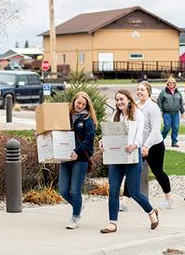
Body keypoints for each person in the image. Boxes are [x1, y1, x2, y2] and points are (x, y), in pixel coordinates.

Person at [100, 90, 159, 233]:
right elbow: (109, 133)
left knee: (134, 192)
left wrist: (135, 145)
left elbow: (139, 136)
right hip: (116, 157)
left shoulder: (138, 114)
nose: (119, 102)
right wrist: (103, 142)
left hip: (132, 156)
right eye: (117, 100)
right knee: (113, 190)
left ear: (128, 100)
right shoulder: (116, 115)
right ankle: (112, 223)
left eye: (122, 99)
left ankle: (151, 212)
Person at [121, 82, 174, 210]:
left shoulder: (153, 107)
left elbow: (156, 130)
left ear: (148, 92)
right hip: (138, 145)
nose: (139, 92)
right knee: (132, 171)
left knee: (158, 172)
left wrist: (146, 146)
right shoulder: (135, 106)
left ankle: (169, 198)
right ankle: (124, 202)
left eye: (142, 90)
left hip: (154, 145)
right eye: (138, 89)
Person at [60, 92, 97, 229]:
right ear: (74, 101)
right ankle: (78, 205)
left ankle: (75, 217)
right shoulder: (66, 117)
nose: (80, 106)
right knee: (63, 191)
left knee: (75, 190)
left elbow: (89, 141)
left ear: (87, 105)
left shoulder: (88, 120)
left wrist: (77, 151)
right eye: (78, 103)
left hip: (80, 159)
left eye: (83, 104)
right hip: (65, 157)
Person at [157, 77, 185, 148]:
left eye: (173, 83)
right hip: (167, 113)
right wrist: (160, 110)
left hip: (176, 113)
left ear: (175, 84)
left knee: (175, 127)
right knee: (167, 127)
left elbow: (181, 102)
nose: (171, 84)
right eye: (170, 82)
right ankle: (160, 140)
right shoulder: (163, 92)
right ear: (167, 83)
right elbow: (159, 101)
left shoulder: (178, 92)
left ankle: (174, 142)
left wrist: (182, 112)